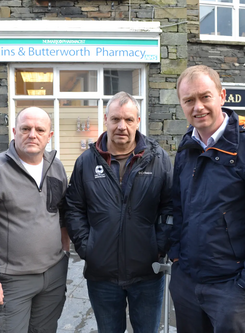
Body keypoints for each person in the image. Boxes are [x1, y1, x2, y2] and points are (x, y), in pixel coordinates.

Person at [169, 65, 245, 333]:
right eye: (189, 100)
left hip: (232, 288)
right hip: (187, 283)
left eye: (205, 97)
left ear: (222, 96)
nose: (198, 107)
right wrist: (176, 257)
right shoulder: (186, 148)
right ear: (181, 104)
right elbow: (177, 207)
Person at [65, 91, 173, 333]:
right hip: (101, 275)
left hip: (147, 273)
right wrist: (87, 247)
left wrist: (158, 246)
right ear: (106, 120)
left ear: (138, 122)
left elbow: (170, 206)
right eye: (115, 119)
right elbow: (74, 208)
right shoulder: (86, 162)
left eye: (128, 119)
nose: (121, 126)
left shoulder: (158, 159)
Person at [0, 107, 70, 333]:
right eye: (25, 128)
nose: (32, 134)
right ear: (14, 131)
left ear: (49, 135)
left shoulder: (56, 167)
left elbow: (62, 210)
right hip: (13, 281)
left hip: (53, 275)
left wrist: (64, 250)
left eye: (40, 129)